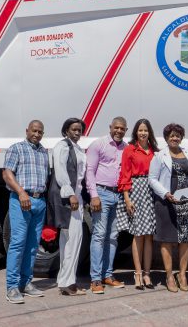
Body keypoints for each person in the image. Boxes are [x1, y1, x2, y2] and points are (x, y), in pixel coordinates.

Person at [2, 120, 49, 304]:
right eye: (34, 130)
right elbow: (7, 174)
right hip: (22, 200)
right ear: (27, 130)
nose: (37, 134)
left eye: (40, 132)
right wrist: (21, 192)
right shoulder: (17, 148)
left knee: (32, 246)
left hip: (39, 201)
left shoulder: (44, 152)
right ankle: (12, 287)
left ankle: (26, 283)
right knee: (18, 243)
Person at [148, 123, 188, 293]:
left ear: (181, 138)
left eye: (177, 135)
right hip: (166, 201)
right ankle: (169, 275)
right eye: (172, 136)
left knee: (185, 240)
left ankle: (182, 274)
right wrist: (166, 193)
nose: (175, 138)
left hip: (186, 202)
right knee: (167, 239)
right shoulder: (159, 156)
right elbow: (152, 179)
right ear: (167, 138)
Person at [85, 116, 128, 294]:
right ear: (110, 127)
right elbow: (89, 171)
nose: (119, 131)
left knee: (113, 237)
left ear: (125, 130)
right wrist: (94, 195)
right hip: (101, 194)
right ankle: (95, 279)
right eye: (116, 127)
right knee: (99, 235)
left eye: (122, 128)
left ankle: (107, 275)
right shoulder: (98, 144)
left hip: (117, 194)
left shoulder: (125, 147)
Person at [48, 117, 88, 296]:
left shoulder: (76, 147)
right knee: (71, 241)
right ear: (66, 131)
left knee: (72, 241)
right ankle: (67, 283)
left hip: (75, 197)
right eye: (74, 129)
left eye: (79, 130)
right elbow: (61, 170)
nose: (77, 132)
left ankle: (66, 280)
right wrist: (70, 193)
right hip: (68, 198)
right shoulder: (62, 146)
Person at [116, 118, 158, 290]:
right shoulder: (129, 150)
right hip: (136, 191)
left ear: (149, 132)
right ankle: (138, 274)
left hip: (152, 192)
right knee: (138, 235)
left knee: (149, 236)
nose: (143, 133)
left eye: (145, 130)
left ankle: (148, 274)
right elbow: (124, 175)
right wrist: (127, 198)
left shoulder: (155, 151)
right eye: (140, 130)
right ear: (135, 132)